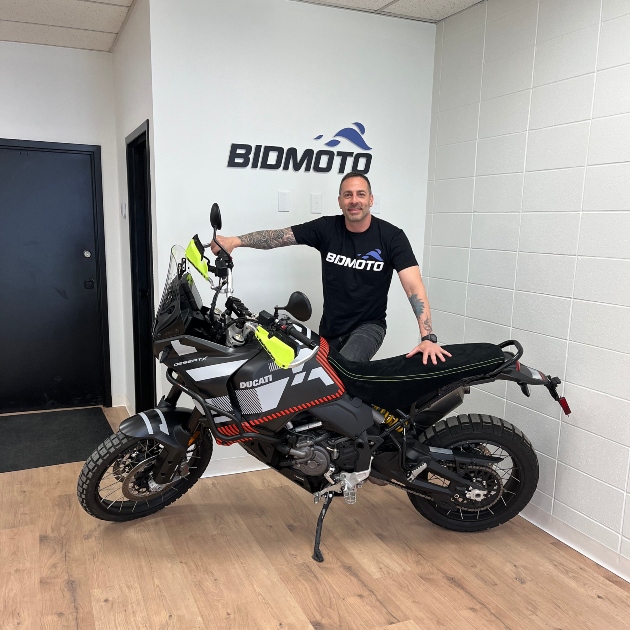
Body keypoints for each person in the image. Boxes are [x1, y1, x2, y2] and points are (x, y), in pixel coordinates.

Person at [212, 172, 451, 365]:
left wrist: (428, 337)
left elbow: (413, 286)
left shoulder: (392, 237)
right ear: (340, 201)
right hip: (330, 329)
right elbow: (278, 237)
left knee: (344, 372)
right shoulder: (327, 228)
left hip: (369, 326)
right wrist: (235, 241)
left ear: (370, 199)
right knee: (314, 383)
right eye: (347, 195)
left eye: (360, 194)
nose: (354, 200)